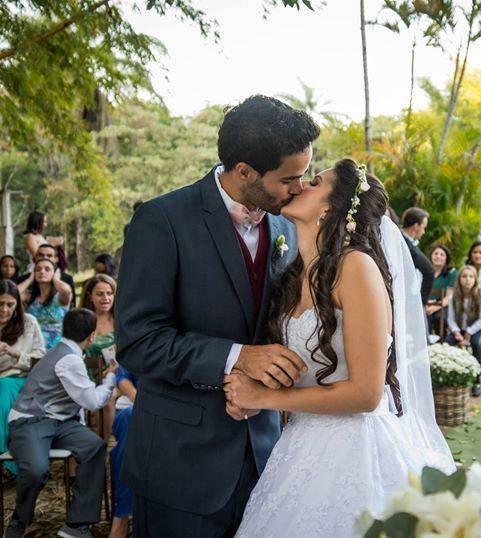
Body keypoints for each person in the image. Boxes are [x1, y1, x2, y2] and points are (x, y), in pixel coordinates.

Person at [115, 95, 317, 537]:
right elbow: (137, 340)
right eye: (290, 178)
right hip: (180, 465)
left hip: (266, 456)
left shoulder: (286, 227)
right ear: (244, 170)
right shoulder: (162, 220)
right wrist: (235, 358)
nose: (300, 189)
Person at [224, 159, 454, 537]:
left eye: (313, 181)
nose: (299, 186)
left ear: (330, 208)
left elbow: (365, 394)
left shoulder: (356, 267)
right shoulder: (294, 271)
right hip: (300, 447)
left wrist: (266, 399)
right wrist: (251, 390)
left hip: (356, 453)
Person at [4, 308, 116, 538]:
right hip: (29, 420)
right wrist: (111, 376)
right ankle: (19, 519)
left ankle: (76, 525)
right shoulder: (70, 359)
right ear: (91, 336)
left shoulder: (63, 350)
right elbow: (93, 401)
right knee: (36, 470)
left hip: (61, 422)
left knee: (94, 446)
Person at [0, 280, 45, 473]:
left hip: (19, 378)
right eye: (0, 304)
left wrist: (14, 353)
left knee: (3, 396)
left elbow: (41, 358)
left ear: (17, 304)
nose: (4, 310)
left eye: (10, 304)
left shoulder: (28, 322)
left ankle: (6, 461)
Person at [81, 275, 118, 441]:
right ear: (90, 296)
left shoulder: (121, 319)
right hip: (89, 376)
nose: (106, 298)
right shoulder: (83, 321)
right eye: (100, 294)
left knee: (109, 397)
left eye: (109, 293)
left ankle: (105, 445)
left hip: (119, 374)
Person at [445, 265, 481, 397]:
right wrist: (456, 332)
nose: (467, 280)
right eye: (464, 276)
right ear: (459, 279)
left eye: (471, 276)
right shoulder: (455, 296)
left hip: (478, 329)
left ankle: (476, 381)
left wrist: (469, 332)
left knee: (476, 344)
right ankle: (453, 376)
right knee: (448, 342)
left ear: (475, 279)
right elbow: (451, 319)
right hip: (460, 330)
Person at [109, 364, 137, 538]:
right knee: (129, 418)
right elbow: (122, 377)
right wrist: (139, 399)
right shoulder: (141, 339)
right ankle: (123, 514)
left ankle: (122, 516)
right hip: (136, 405)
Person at [17, 259, 71, 349]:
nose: (42, 272)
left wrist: (55, 279)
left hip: (57, 350)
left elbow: (66, 290)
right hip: (34, 350)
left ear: (54, 273)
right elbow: (11, 295)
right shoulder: (30, 297)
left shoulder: (59, 298)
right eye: (38, 269)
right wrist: (30, 279)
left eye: (47, 269)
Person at [400, 207, 434, 305]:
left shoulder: (398, 238)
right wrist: (421, 302)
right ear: (416, 226)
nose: (424, 232)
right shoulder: (408, 246)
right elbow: (429, 271)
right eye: (424, 227)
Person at [425, 245, 457, 336]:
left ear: (446, 258)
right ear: (431, 256)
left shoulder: (452, 273)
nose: (438, 256)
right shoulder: (424, 272)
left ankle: (441, 343)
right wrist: (425, 304)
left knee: (439, 317)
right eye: (435, 254)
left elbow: (449, 296)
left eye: (442, 254)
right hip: (426, 305)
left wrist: (434, 307)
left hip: (443, 306)